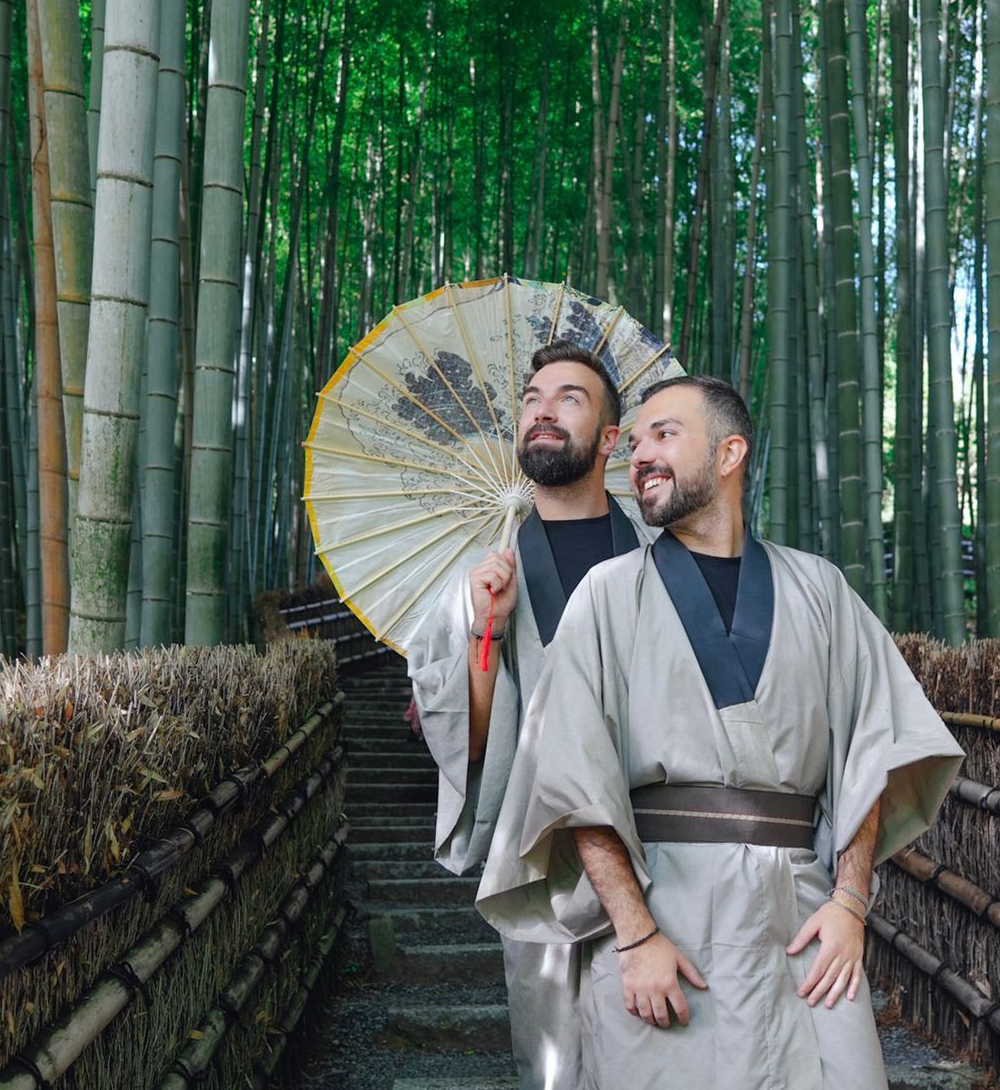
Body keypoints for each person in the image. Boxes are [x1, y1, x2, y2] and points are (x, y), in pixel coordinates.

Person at [475, 376, 964, 1090]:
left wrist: (851, 903)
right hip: (660, 916)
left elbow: (874, 748)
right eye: (635, 440)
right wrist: (636, 935)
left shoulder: (819, 589)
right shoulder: (607, 597)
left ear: (730, 451)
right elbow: (574, 779)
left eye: (665, 434)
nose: (641, 453)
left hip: (799, 917)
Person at [407, 339, 653, 1090]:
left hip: (657, 845)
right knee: (553, 1067)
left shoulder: (659, 555)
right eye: (532, 397)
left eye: (569, 397)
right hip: (541, 857)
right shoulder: (485, 574)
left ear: (611, 439)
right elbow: (473, 748)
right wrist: (487, 629)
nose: (542, 409)